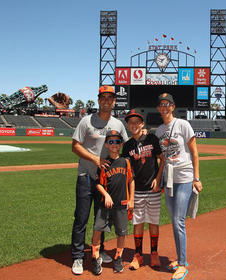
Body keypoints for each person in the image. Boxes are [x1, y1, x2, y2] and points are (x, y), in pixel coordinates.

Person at [71, 85, 128, 275]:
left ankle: (100, 250)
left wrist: (142, 134)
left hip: (106, 181)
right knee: (81, 218)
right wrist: (95, 159)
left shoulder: (118, 124)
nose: (106, 101)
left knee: (102, 217)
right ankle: (78, 256)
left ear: (114, 101)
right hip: (86, 176)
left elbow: (126, 146)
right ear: (98, 100)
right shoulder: (87, 121)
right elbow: (75, 146)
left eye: (110, 98)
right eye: (103, 97)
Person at [155, 93, 203, 280]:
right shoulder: (159, 131)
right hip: (169, 179)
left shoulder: (183, 124)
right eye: (161, 104)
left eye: (167, 104)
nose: (164, 107)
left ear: (173, 107)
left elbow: (194, 152)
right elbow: (162, 158)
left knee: (178, 221)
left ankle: (182, 264)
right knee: (174, 222)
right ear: (159, 108)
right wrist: (159, 178)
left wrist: (196, 178)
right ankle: (179, 258)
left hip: (184, 177)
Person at [121, 108, 165, 270]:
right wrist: (130, 196)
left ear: (142, 123)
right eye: (130, 122)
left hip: (152, 189)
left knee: (153, 222)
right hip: (137, 190)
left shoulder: (152, 138)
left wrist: (158, 179)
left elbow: (162, 159)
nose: (133, 125)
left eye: (136, 122)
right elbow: (127, 171)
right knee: (138, 222)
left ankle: (154, 253)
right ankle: (138, 255)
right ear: (127, 125)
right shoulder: (127, 146)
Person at [91, 130, 135, 274]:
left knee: (121, 233)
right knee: (97, 229)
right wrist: (106, 195)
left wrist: (131, 199)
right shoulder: (104, 163)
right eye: (111, 142)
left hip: (122, 204)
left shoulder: (125, 161)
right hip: (106, 204)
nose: (114, 144)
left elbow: (131, 181)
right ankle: (95, 257)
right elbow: (97, 183)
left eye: (117, 142)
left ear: (121, 144)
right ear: (106, 144)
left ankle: (118, 258)